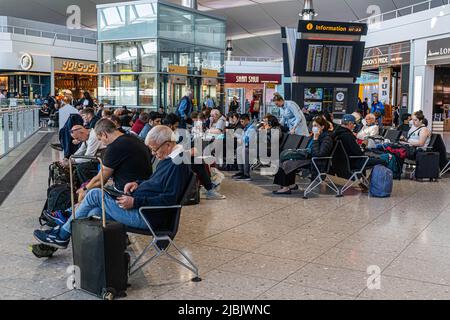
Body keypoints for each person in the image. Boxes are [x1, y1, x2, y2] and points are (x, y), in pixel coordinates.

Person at [33, 125, 191, 249]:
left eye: (154, 149)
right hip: (143, 209)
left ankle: (61, 235)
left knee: (95, 194)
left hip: (148, 216)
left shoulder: (178, 165)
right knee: (94, 211)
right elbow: (157, 183)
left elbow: (169, 199)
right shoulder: (170, 159)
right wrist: (138, 183)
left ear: (169, 144)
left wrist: (135, 202)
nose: (153, 153)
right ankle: (67, 238)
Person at [273, 117, 333, 195]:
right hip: (308, 157)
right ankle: (291, 185)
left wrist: (315, 139)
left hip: (316, 161)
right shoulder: (316, 135)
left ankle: (285, 188)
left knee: (288, 163)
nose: (313, 128)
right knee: (285, 159)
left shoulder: (326, 138)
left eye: (316, 126)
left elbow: (319, 154)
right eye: (313, 125)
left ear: (322, 127)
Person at [333, 114, 387, 190]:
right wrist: (363, 146)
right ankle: (372, 183)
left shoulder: (336, 134)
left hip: (340, 165)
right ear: (350, 124)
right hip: (352, 163)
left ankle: (364, 182)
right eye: (354, 124)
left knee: (367, 159)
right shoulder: (348, 136)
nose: (354, 126)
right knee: (383, 161)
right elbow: (359, 153)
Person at [232, 114, 257, 181]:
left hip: (252, 148)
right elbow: (244, 137)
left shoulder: (252, 129)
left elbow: (249, 140)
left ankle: (246, 174)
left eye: (242, 121)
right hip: (247, 146)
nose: (241, 123)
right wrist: (237, 135)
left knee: (244, 150)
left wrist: (241, 139)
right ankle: (241, 171)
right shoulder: (246, 128)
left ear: (247, 120)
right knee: (239, 149)